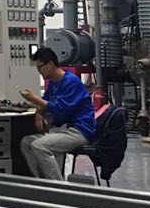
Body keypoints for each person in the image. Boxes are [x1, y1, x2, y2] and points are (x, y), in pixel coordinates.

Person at [17, 46, 96, 180]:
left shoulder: (70, 81)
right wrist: (39, 114)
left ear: (50, 64)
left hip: (79, 131)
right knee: (26, 143)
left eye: (40, 67)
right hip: (63, 129)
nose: (39, 71)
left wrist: (33, 98)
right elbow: (45, 101)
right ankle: (42, 181)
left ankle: (58, 186)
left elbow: (60, 109)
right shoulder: (54, 83)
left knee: (39, 145)